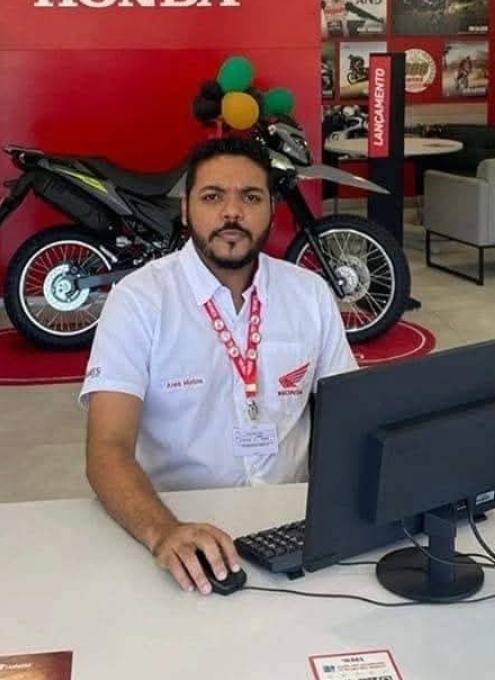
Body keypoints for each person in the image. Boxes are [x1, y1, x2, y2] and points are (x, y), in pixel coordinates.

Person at [79, 135, 358, 594]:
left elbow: (351, 418)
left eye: (250, 197)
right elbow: (106, 448)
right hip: (178, 519)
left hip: (292, 525)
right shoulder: (140, 300)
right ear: (186, 210)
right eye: (213, 197)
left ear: (272, 209)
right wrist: (163, 532)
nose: (232, 212)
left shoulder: (309, 294)